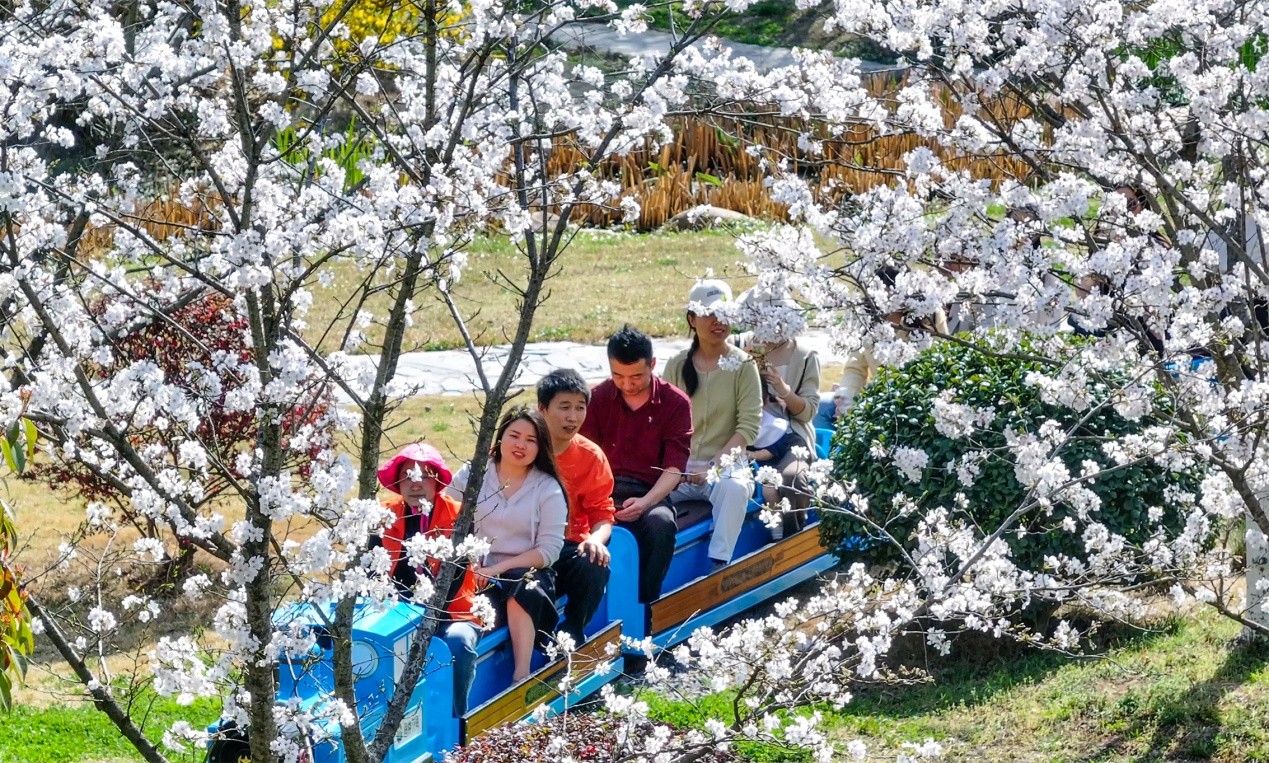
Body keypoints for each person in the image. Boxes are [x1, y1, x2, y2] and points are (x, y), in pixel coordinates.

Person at [445, 408, 567, 682]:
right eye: (514, 435)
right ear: (501, 437)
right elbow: (446, 512)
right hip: (475, 568)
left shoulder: (547, 488)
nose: (520, 445)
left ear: (541, 446)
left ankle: (521, 674)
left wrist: (498, 568)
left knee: (521, 587)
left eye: (531, 440)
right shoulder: (474, 472)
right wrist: (470, 561)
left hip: (527, 571)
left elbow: (549, 551)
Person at [580, 325, 691, 603]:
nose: (627, 384)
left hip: (650, 491)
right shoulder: (598, 398)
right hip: (603, 489)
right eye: (618, 376)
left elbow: (674, 467)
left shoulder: (675, 403)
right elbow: (583, 454)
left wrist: (645, 502)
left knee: (660, 525)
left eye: (636, 376)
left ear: (652, 365)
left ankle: (645, 602)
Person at [375, 443, 482, 716]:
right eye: (407, 476)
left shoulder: (459, 516)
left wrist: (427, 619)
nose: (415, 484)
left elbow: (455, 577)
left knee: (458, 643)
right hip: (394, 615)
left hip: (452, 613)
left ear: (437, 482)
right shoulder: (382, 518)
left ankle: (456, 719)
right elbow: (371, 575)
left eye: (424, 476)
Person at [663, 279, 762, 570]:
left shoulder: (743, 365)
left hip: (724, 466)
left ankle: (719, 564)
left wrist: (713, 467)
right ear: (692, 319)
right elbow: (663, 423)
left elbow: (748, 426)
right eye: (709, 314)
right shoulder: (677, 364)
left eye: (724, 313)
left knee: (734, 488)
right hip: (679, 466)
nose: (718, 321)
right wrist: (676, 467)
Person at [732, 287, 821, 538]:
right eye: (761, 317)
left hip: (790, 438)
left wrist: (784, 390)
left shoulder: (804, 355)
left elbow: (808, 412)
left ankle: (792, 538)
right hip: (745, 436)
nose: (769, 324)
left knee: (792, 479)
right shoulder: (738, 345)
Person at [535, 368, 615, 646]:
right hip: (523, 544)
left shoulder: (591, 456)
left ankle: (573, 629)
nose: (573, 417)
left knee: (595, 561)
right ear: (542, 408)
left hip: (568, 545)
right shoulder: (524, 446)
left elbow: (603, 515)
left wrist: (595, 539)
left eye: (580, 408)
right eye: (564, 407)